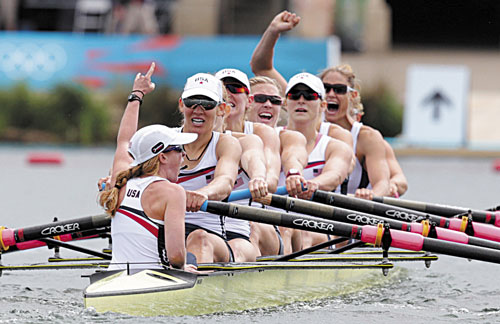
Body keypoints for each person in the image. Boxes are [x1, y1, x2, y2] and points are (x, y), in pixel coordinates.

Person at [250, 11, 390, 200]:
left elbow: (343, 168)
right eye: (295, 95)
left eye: (309, 96)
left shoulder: (341, 137)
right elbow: (261, 66)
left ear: (321, 104)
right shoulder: (269, 136)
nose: (301, 100)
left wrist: (316, 183)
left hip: (327, 217)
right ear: (285, 101)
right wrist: (273, 30)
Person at [99, 63, 197, 272]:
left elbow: (124, 140)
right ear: (162, 156)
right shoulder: (173, 193)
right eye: (179, 149)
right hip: (153, 283)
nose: (183, 155)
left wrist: (137, 93)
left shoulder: (120, 180)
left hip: (112, 279)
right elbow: (177, 257)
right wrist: (185, 267)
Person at [176, 72, 242, 263]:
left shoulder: (225, 143)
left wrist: (203, 194)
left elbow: (225, 181)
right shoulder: (164, 140)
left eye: (206, 104)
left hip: (211, 236)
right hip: (168, 231)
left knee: (199, 238)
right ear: (181, 105)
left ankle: (195, 288)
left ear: (221, 109)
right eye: (191, 102)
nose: (198, 110)